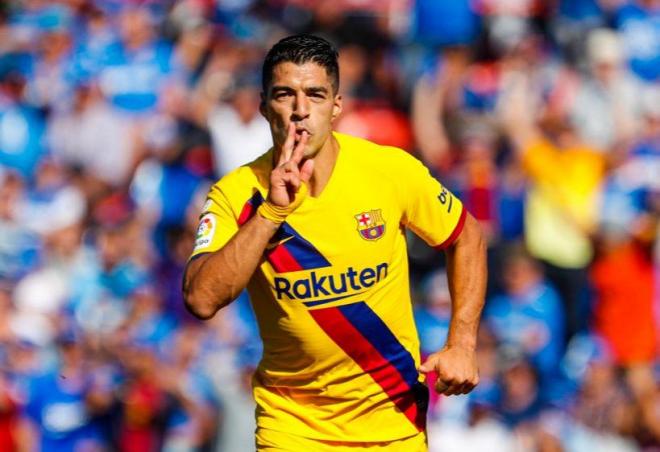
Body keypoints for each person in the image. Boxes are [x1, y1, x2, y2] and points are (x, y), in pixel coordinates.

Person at [183, 34, 487, 451]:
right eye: (285, 95)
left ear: (337, 106)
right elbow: (200, 298)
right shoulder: (235, 194)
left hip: (393, 420)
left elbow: (466, 235)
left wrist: (462, 343)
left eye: (315, 95)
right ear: (263, 106)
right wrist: (270, 214)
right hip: (293, 426)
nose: (300, 111)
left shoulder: (389, 170)